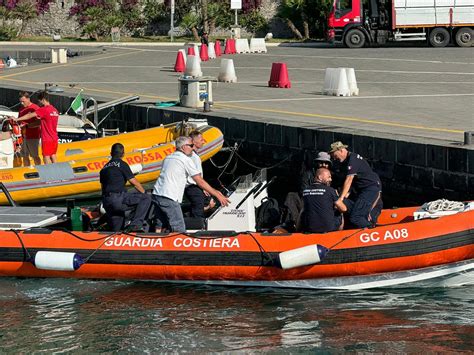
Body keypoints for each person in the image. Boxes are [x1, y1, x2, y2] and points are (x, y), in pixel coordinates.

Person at [152, 136, 230, 233]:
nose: (193, 148)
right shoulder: (185, 159)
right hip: (169, 197)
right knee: (179, 227)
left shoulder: (168, 157)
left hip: (157, 194)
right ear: (184, 147)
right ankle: (179, 246)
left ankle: (156, 241)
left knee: (160, 224)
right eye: (191, 145)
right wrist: (217, 194)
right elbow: (199, 181)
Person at [329, 141, 383, 228]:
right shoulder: (346, 162)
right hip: (361, 191)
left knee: (355, 218)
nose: (335, 159)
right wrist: (342, 199)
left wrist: (341, 198)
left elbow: (349, 180)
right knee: (344, 204)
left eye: (335, 156)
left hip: (369, 189)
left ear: (341, 150)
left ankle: (371, 228)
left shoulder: (353, 160)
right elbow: (349, 186)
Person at [100, 143, 151, 232]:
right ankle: (135, 225)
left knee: (117, 229)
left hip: (107, 202)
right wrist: (144, 193)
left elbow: (102, 187)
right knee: (146, 198)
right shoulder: (122, 164)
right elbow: (134, 183)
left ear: (110, 153)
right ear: (123, 154)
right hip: (118, 199)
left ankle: (115, 239)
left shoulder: (104, 168)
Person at [15, 91, 59, 164]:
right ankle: (58, 172)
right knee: (53, 155)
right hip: (54, 137)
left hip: (46, 138)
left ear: (43, 100)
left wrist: (17, 119)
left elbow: (30, 116)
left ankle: (49, 173)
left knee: (46, 156)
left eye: (39, 101)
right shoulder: (55, 110)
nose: (39, 104)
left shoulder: (44, 109)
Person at [302, 168, 347, 233]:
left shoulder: (305, 191)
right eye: (329, 177)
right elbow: (344, 209)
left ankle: (297, 231)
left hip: (309, 228)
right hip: (328, 228)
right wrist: (337, 197)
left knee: (304, 210)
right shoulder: (330, 190)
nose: (330, 179)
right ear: (320, 177)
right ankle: (339, 235)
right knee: (339, 211)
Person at [184, 130, 210, 220]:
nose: (204, 141)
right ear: (194, 142)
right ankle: (196, 226)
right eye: (202, 139)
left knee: (200, 205)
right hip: (193, 187)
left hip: (195, 186)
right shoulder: (193, 156)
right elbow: (195, 175)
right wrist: (203, 188)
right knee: (198, 209)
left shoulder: (193, 155)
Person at [17, 91, 41, 166]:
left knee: (35, 156)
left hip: (33, 136)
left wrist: (27, 126)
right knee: (25, 156)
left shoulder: (35, 108)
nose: (22, 103)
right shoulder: (21, 109)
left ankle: (40, 171)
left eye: (23, 101)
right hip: (23, 137)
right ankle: (27, 171)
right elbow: (19, 121)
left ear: (28, 99)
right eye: (20, 101)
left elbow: (39, 122)